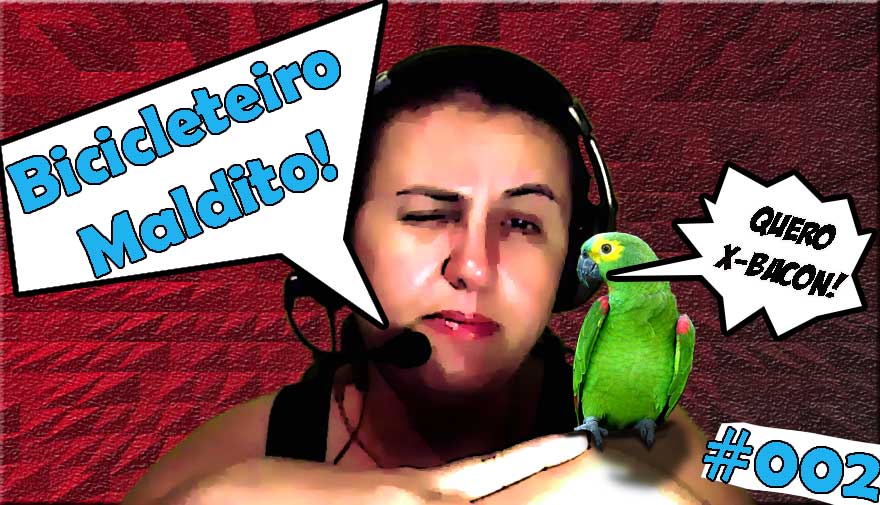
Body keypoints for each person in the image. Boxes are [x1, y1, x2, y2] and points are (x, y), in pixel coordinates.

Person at [122, 45, 754, 505]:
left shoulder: (678, 476)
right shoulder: (208, 480)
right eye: (426, 215)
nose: (474, 267)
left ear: (572, 265)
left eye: (523, 224)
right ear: (337, 241)